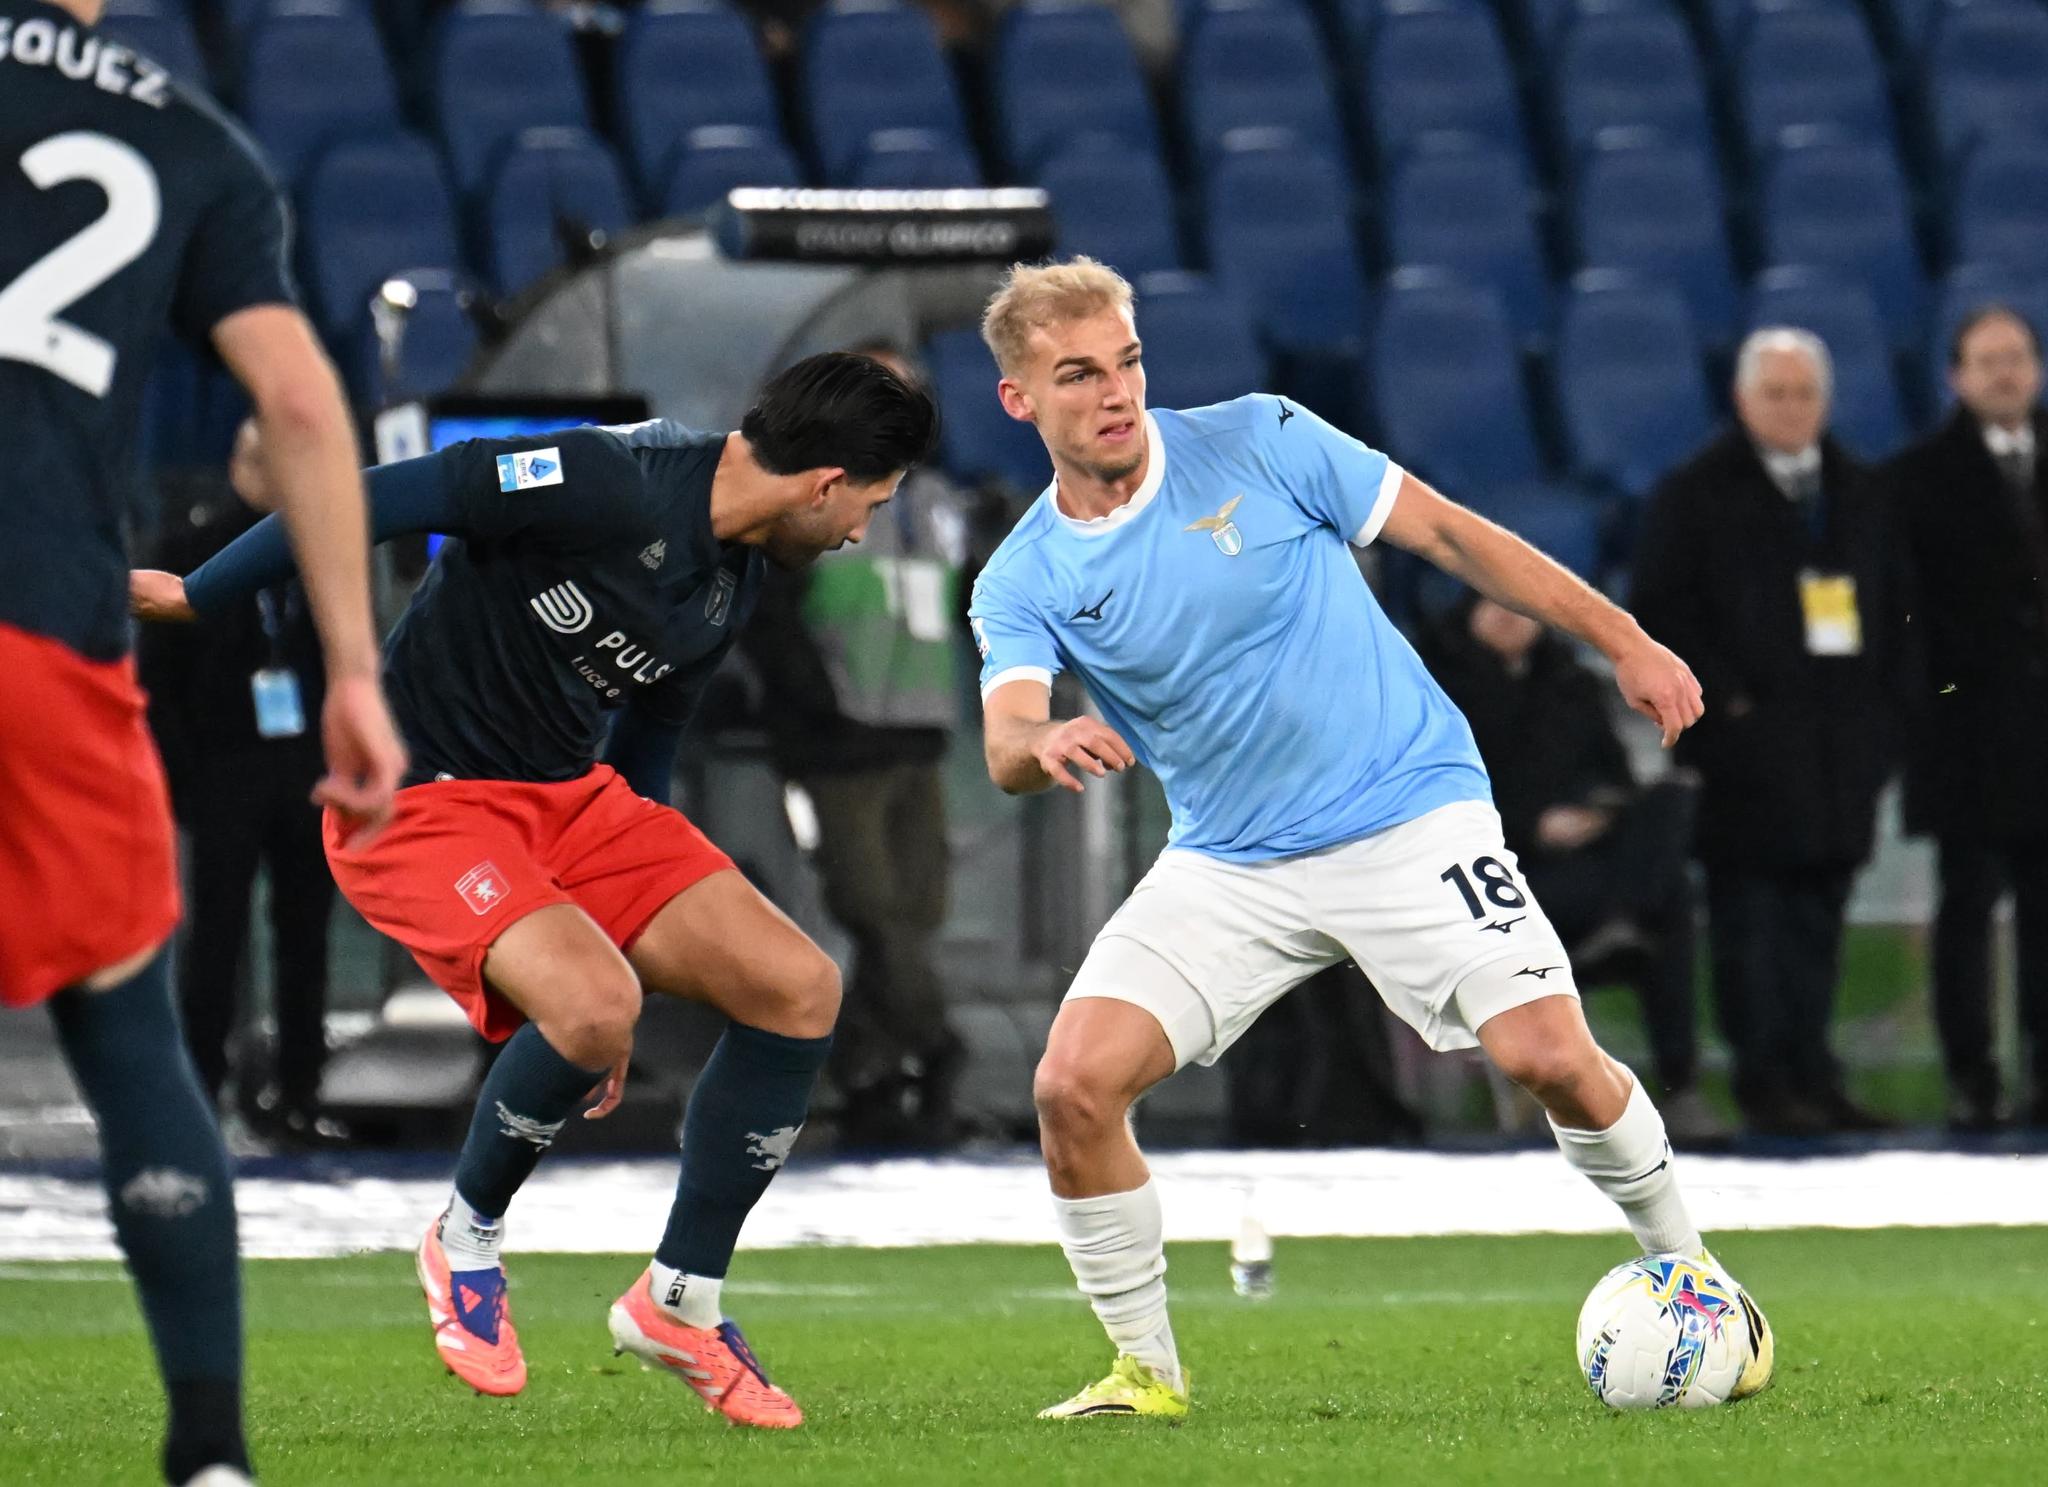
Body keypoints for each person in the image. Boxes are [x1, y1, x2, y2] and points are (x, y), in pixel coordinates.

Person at [966, 258, 1770, 1420]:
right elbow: (1001, 735)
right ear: (1019, 400)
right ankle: (1145, 1371)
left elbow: (1447, 533)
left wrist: (1622, 637)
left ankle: (1699, 1277)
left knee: (1550, 1056)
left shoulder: (1259, 437)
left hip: (1405, 810)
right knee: (1071, 1088)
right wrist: (1035, 743)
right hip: (1230, 859)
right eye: (1077, 374)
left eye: (1127, 362)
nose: (1114, 393)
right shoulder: (1024, 575)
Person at [133, 353, 938, 1428]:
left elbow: (647, 743)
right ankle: (462, 1241)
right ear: (824, 481)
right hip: (421, 798)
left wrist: (626, 914)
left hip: (577, 799)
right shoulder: (610, 477)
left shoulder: (730, 578)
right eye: (870, 507)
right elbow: (375, 494)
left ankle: (679, 1302)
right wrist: (199, 591)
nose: (859, 531)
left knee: (797, 987)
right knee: (596, 1002)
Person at [0, 2, 407, 1482]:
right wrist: (355, 667)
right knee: (124, 1025)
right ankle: (211, 1451)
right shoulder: (184, 137)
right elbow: (302, 400)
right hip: (44, 625)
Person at [1632, 329, 1903, 1137]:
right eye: (1776, 394)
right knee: (1752, 924)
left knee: (1821, 918)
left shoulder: (1861, 491)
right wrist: (1727, 716)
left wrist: (1886, 726)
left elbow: (1897, 612)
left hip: (1841, 749)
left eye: (1805, 393)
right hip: (1747, 758)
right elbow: (1664, 613)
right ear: (1744, 401)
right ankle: (1762, 1077)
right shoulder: (1694, 494)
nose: (1792, 409)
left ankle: (1815, 1073)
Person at [739, 343, 971, 1146]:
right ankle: (936, 1048)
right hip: (839, 743)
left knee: (916, 911)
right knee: (873, 911)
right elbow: (771, 620)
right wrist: (813, 711)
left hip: (915, 730)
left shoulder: (940, 501)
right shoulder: (811, 496)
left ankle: (870, 1072)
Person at [1419, 594, 1719, 1141]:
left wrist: (1594, 811)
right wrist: (1535, 824)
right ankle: (1678, 1077)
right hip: (1501, 880)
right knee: (1668, 907)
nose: (1512, 617)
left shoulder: (1571, 683)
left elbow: (1615, 774)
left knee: (1674, 800)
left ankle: (1627, 920)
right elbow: (1429, 797)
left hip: (1591, 863)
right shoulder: (1437, 687)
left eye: (1524, 608)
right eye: (1496, 605)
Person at [1887, 305, 2048, 1131]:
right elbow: (1905, 615)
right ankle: (1972, 1075)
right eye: (1988, 362)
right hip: (1967, 737)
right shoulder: (1917, 477)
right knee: (1968, 909)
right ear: (1956, 377)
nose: (2005, 374)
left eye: (2017, 358)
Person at [139, 492, 338, 1145]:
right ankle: (199, 1088)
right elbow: (158, 677)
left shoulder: (318, 544)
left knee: (305, 933)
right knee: (215, 935)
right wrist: (183, 780)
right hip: (223, 766)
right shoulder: (191, 548)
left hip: (304, 766)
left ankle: (301, 1089)